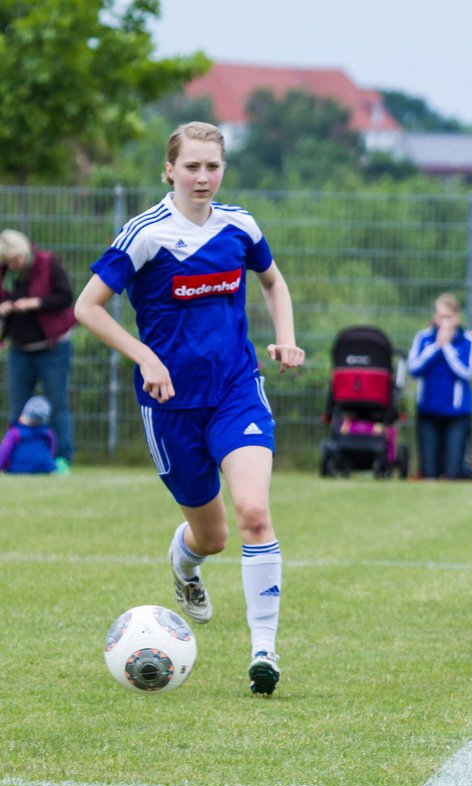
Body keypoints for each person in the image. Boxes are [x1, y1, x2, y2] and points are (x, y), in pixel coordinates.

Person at [74, 121, 305, 696]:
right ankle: (185, 568)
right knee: (213, 535)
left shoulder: (239, 225)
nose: (204, 177)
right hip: (170, 404)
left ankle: (264, 652)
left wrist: (285, 336)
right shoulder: (144, 234)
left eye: (213, 166)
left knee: (254, 513)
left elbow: (274, 283)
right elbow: (88, 308)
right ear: (170, 170)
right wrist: (145, 357)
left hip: (236, 390)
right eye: (193, 166)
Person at [0, 229, 77, 472]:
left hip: (53, 347)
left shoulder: (47, 263)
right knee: (18, 406)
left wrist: (34, 303)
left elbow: (66, 297)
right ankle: (15, 459)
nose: (15, 264)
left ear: (25, 252)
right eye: (9, 262)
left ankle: (62, 458)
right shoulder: (5, 273)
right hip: (19, 348)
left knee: (56, 403)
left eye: (17, 259)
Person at [408, 293, 472, 479]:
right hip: (428, 413)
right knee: (429, 472)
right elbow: (413, 369)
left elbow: (467, 372)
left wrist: (446, 347)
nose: (444, 322)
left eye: (448, 317)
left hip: (457, 415)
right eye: (440, 317)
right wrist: (436, 346)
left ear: (456, 317)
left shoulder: (468, 340)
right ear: (434, 317)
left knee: (453, 472)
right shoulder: (423, 338)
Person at [0, 395, 57, 474]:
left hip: (18, 469)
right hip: (45, 468)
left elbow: (4, 451)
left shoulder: (15, 432)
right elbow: (51, 449)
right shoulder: (47, 433)